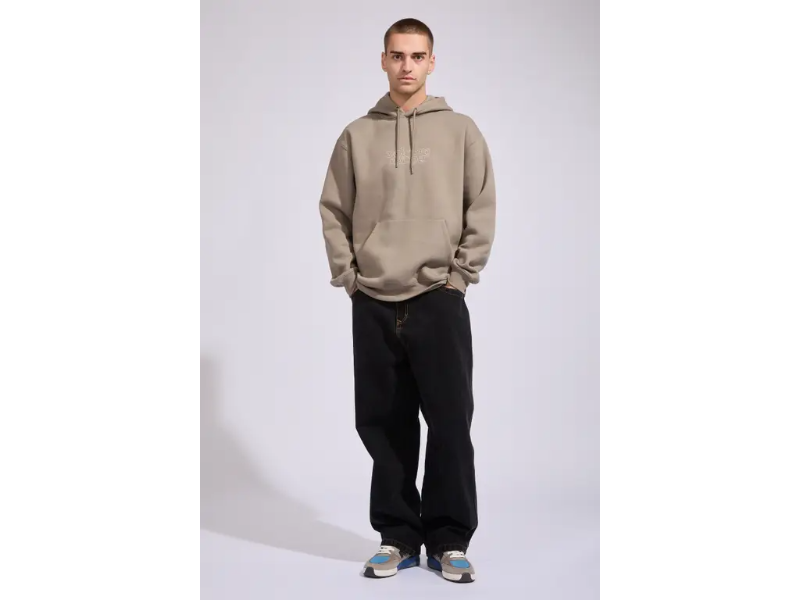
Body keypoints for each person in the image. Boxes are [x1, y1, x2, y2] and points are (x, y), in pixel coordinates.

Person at [318, 18, 496, 584]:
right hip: (372, 298)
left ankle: (449, 539)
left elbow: (481, 204)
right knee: (383, 424)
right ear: (383, 60)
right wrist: (349, 277)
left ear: (432, 62)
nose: (407, 66)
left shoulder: (461, 130)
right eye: (397, 55)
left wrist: (460, 276)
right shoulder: (356, 135)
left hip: (439, 296)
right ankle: (397, 536)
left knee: (450, 422)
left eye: (417, 56)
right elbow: (334, 209)